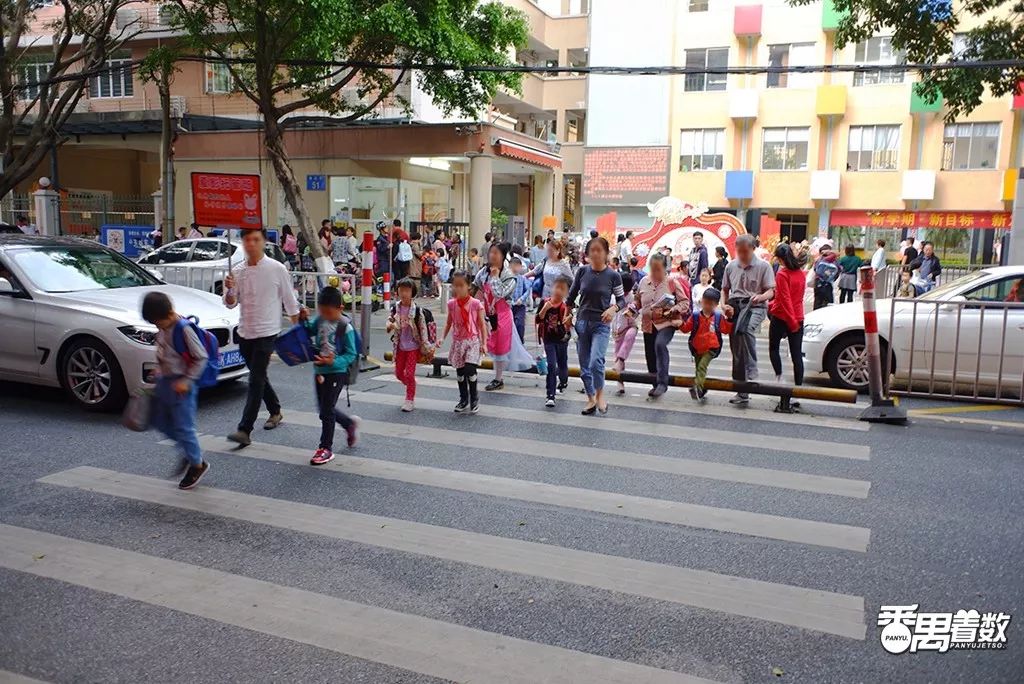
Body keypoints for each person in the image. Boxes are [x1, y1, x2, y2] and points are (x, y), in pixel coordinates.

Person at [223, 228, 301, 446]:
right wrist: (229, 290)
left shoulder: (277, 269)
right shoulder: (237, 271)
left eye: (256, 239)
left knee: (255, 380)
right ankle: (275, 410)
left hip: (268, 333)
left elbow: (290, 300)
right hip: (245, 332)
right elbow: (230, 303)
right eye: (247, 239)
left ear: (264, 242)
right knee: (259, 377)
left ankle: (244, 429)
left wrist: (298, 331)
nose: (251, 244)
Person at [141, 291, 211, 490]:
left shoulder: (183, 329)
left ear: (167, 314)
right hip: (166, 381)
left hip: (182, 385)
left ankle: (197, 464)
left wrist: (187, 380)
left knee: (183, 427)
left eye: (157, 322)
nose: (157, 326)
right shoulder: (163, 327)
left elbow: (201, 357)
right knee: (159, 421)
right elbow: (165, 351)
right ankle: (189, 452)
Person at [299, 286, 359, 465]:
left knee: (326, 410)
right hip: (320, 370)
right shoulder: (320, 320)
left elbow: (351, 354)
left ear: (340, 308)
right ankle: (348, 424)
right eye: (321, 311)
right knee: (324, 408)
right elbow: (309, 329)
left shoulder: (344, 327)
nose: (325, 315)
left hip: (336, 372)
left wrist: (334, 362)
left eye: (328, 312)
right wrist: (303, 320)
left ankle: (326, 448)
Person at [567, 236, 626, 415]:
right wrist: (567, 315)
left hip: (601, 324)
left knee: (595, 361)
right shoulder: (582, 272)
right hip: (582, 323)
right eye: (592, 250)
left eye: (599, 250)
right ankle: (591, 398)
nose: (595, 253)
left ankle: (600, 394)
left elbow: (622, 300)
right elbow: (570, 297)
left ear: (607, 253)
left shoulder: (613, 276)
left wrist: (613, 309)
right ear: (587, 253)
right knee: (584, 366)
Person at [722, 233, 775, 406]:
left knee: (745, 330)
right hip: (735, 306)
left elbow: (771, 292)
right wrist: (724, 305)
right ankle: (741, 390)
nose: (742, 255)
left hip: (755, 307)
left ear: (753, 249)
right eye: (739, 251)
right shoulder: (730, 266)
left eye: (745, 251)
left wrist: (760, 297)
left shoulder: (763, 266)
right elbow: (725, 290)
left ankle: (752, 369)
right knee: (736, 348)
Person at [475, 242, 532, 391]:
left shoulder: (509, 276)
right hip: (486, 313)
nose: (492, 256)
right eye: (491, 252)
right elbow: (478, 288)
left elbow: (499, 293)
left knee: (500, 347)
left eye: (496, 253)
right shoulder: (483, 272)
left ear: (502, 256)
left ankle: (498, 378)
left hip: (502, 316)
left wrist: (494, 277)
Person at [634, 253, 690, 399]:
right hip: (648, 324)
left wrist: (674, 309)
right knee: (650, 356)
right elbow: (637, 301)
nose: (655, 272)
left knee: (660, 345)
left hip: (667, 322)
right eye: (653, 269)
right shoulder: (643, 282)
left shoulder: (672, 282)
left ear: (665, 269)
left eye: (658, 269)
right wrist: (631, 309)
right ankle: (655, 384)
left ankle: (663, 383)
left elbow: (684, 302)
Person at [438, 271, 487, 413]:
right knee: (460, 372)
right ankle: (463, 398)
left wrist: (484, 343)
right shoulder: (452, 304)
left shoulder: (476, 304)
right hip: (458, 342)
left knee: (470, 369)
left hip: (472, 341)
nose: (458, 288)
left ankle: (474, 397)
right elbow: (448, 323)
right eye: (455, 285)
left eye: (461, 285)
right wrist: (442, 337)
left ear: (469, 287)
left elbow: (482, 325)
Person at [767, 243, 807, 402]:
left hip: (782, 318)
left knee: (773, 348)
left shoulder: (782, 274)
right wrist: (795, 321)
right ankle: (798, 390)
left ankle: (779, 378)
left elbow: (785, 300)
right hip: (798, 316)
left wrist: (791, 322)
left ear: (780, 258)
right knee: (797, 355)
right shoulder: (801, 273)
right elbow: (797, 299)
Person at [679, 287, 733, 404]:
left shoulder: (718, 318)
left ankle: (697, 388)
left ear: (716, 305)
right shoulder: (695, 316)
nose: (707, 306)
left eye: (710, 304)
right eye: (705, 302)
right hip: (697, 347)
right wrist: (679, 323)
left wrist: (729, 318)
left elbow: (726, 330)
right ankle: (702, 388)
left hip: (711, 347)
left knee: (702, 366)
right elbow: (686, 328)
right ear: (701, 301)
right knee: (699, 369)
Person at [387, 278, 429, 412]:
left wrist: (426, 346)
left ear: (412, 293)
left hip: (413, 347)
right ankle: (411, 385)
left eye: (407, 290)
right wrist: (389, 326)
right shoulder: (395, 308)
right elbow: (389, 322)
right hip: (400, 346)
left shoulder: (417, 311)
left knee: (410, 374)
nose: (404, 293)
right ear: (397, 292)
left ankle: (409, 399)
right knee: (399, 374)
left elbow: (423, 329)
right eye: (401, 290)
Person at [536, 275, 573, 407]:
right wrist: (545, 309)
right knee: (551, 365)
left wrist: (568, 319)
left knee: (562, 363)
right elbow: (537, 319)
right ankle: (550, 395)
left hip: (562, 339)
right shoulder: (545, 301)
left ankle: (563, 382)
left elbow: (570, 324)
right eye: (557, 287)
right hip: (549, 339)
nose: (558, 290)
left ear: (567, 292)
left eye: (562, 289)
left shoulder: (567, 306)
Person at [612, 272, 638, 396]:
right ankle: (620, 382)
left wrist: (632, 311)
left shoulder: (632, 298)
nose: (625, 292)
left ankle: (621, 359)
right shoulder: (614, 297)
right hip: (618, 330)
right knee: (617, 356)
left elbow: (637, 311)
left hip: (631, 326)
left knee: (629, 337)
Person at [509, 256, 530, 342]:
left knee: (519, 324)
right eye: (514, 266)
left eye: (518, 266)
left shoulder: (522, 278)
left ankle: (520, 341)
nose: (516, 268)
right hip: (509, 305)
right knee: (511, 325)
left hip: (520, 305)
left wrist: (522, 299)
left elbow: (527, 290)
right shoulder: (507, 278)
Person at [812, 244, 839, 310]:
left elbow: (815, 270)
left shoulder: (819, 260)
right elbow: (837, 273)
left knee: (817, 303)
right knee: (828, 305)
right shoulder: (834, 262)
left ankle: (815, 318)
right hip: (828, 285)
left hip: (818, 284)